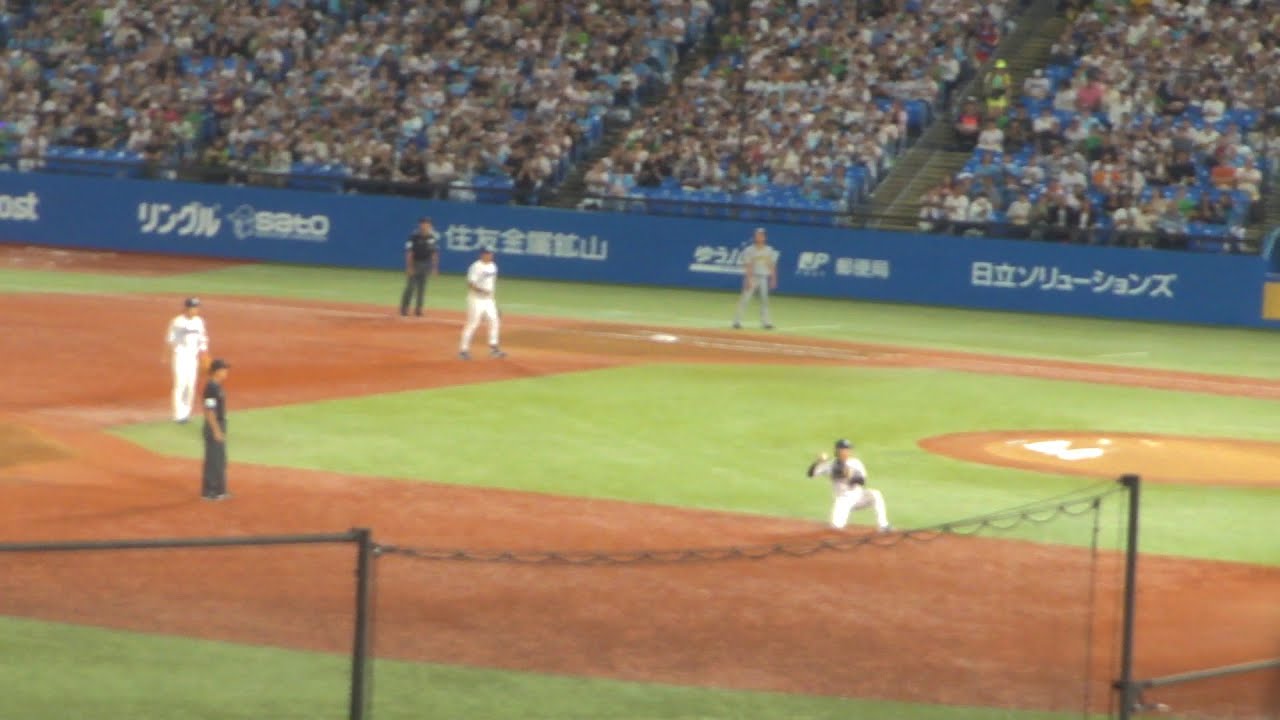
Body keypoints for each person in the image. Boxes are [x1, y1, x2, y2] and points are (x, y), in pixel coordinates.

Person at [805, 439, 892, 532]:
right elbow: (810, 474)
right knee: (836, 527)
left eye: (847, 449)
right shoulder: (830, 465)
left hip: (859, 497)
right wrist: (818, 462)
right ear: (837, 451)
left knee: (875, 494)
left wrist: (851, 477)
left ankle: (883, 525)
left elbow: (862, 481)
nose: (846, 452)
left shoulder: (855, 463)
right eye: (843, 449)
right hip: (842, 500)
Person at [165, 297, 209, 423]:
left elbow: (203, 339)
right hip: (180, 357)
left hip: (192, 358)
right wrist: (169, 355)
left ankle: (186, 413)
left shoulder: (199, 322)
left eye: (196, 308)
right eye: (192, 307)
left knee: (190, 385)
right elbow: (170, 340)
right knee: (180, 384)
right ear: (186, 308)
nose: (195, 310)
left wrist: (204, 355)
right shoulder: (177, 322)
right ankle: (178, 415)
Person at [458, 247, 505, 360]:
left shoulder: (493, 266)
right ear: (482, 255)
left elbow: (491, 285)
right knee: (473, 324)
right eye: (488, 253)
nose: (490, 255)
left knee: (495, 321)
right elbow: (470, 284)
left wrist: (494, 302)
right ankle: (463, 350)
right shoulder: (476, 266)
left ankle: (494, 348)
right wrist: (482, 291)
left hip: (489, 300)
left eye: (491, 253)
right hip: (476, 299)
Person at [731, 227, 779, 330]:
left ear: (764, 237)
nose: (759, 237)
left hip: (764, 277)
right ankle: (736, 321)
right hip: (753, 276)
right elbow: (748, 266)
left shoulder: (769, 250)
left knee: (764, 300)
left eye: (761, 235)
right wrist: (748, 279)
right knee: (745, 299)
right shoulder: (749, 250)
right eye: (757, 235)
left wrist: (773, 279)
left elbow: (772, 265)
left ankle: (766, 323)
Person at [201, 358, 231, 501]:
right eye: (224, 370)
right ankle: (209, 491)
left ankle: (220, 490)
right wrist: (216, 430)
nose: (226, 372)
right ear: (217, 371)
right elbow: (209, 411)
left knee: (220, 459)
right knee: (213, 459)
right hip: (214, 426)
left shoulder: (217, 386)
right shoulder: (211, 388)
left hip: (220, 425)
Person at [399, 217, 439, 316]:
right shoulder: (413, 237)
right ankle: (404, 308)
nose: (425, 225)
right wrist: (409, 267)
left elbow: (434, 253)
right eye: (423, 223)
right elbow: (409, 253)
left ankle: (418, 310)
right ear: (420, 225)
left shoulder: (431, 238)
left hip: (425, 264)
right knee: (410, 287)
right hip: (415, 263)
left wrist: (434, 267)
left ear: (430, 225)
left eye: (427, 224)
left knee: (422, 288)